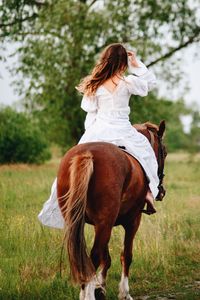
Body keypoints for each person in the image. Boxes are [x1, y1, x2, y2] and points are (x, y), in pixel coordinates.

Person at [38, 43, 159, 229]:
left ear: (105, 60)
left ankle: (59, 198)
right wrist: (137, 64)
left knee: (70, 161)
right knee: (146, 154)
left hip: (99, 130)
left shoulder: (95, 84)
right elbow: (150, 83)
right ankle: (148, 192)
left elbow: (89, 109)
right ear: (124, 62)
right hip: (122, 129)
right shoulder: (128, 82)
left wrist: (91, 130)